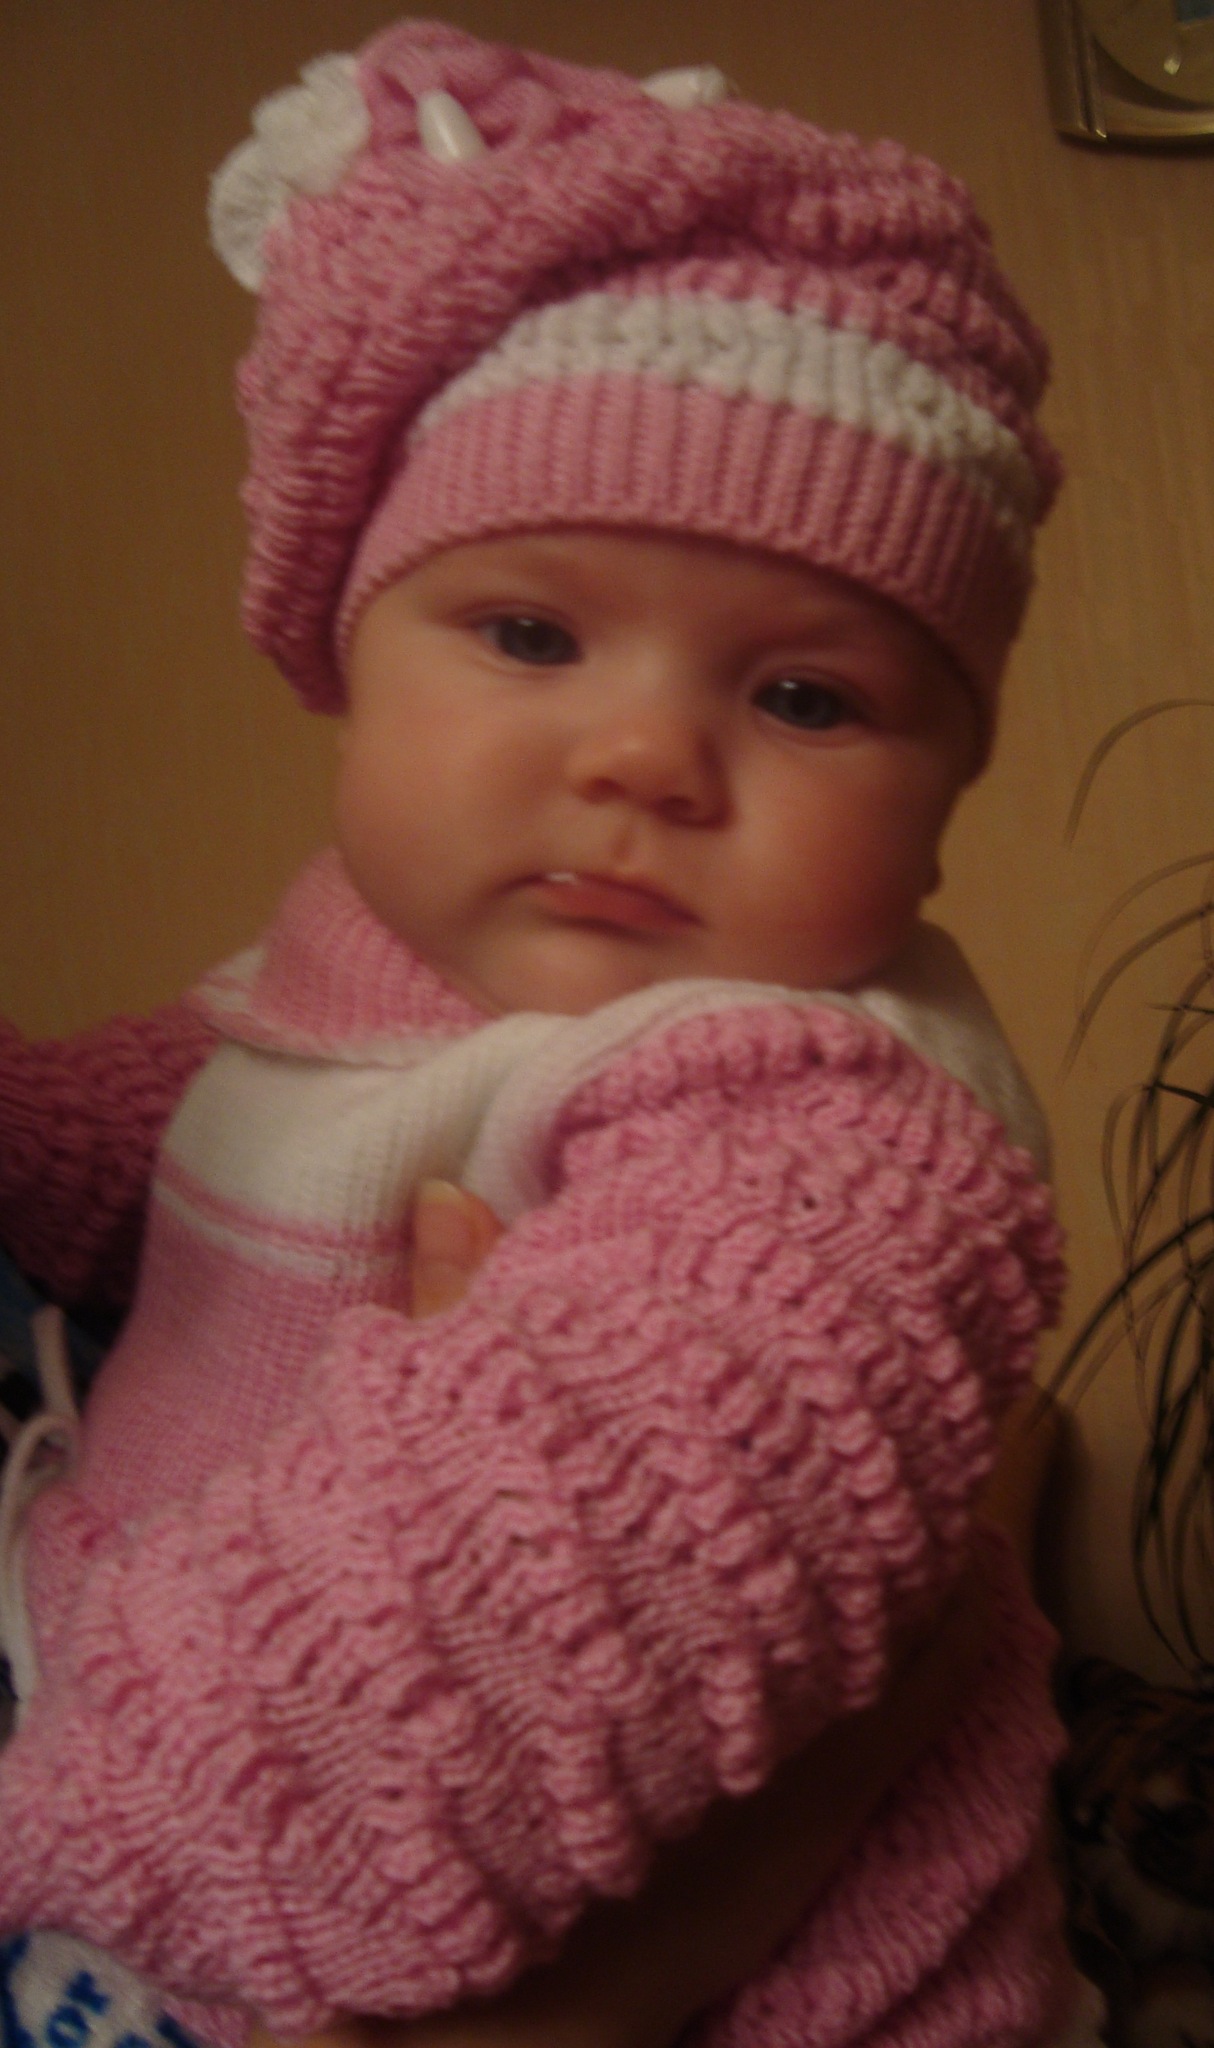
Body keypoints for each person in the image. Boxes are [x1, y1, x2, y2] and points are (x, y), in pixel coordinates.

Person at [0, 20, 1080, 2048]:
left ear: (948, 794)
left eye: (806, 699)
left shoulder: (824, 1124)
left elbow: (552, 1564)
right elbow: (156, 1147)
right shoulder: (356, 976)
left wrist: (74, 1817)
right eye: (529, 633)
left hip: (657, 1965)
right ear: (349, 654)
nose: (641, 755)